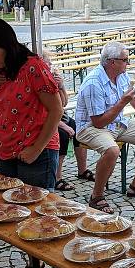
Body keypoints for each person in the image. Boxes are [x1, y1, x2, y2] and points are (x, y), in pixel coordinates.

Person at [0, 18, 72, 268]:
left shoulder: (34, 67)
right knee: (19, 216)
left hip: (35, 152)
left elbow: (56, 110)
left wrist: (37, 148)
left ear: (7, 45)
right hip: (7, 151)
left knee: (43, 214)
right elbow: (3, 106)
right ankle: (35, 265)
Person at [75, 41, 135, 213]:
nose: (128, 63)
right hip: (90, 127)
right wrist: (122, 102)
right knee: (112, 150)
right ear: (112, 62)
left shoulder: (121, 75)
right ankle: (96, 196)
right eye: (125, 59)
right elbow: (99, 122)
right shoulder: (94, 83)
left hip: (116, 123)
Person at [41, 51, 88, 192]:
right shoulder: (39, 81)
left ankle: (82, 170)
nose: (50, 65)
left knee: (76, 126)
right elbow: (44, 113)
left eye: (50, 62)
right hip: (47, 119)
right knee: (62, 134)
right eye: (47, 62)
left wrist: (61, 86)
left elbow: (64, 103)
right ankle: (57, 177)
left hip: (59, 115)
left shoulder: (51, 78)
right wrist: (63, 126)